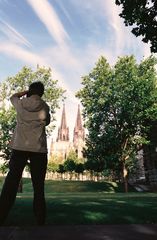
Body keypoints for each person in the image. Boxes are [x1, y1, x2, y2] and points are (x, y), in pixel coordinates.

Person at [0, 81, 50, 226]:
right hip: (39, 150)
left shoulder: (21, 104)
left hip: (20, 148)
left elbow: (12, 97)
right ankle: (40, 221)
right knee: (38, 187)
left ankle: (1, 217)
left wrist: (24, 93)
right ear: (41, 92)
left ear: (29, 91)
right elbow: (46, 122)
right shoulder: (45, 107)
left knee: (11, 184)